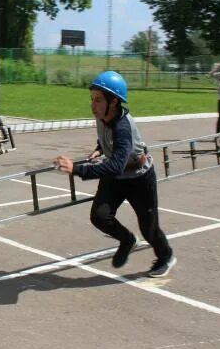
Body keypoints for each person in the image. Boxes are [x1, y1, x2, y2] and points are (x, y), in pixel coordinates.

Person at [53, 71, 177, 278]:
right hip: (117, 176)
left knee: (149, 228)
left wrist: (77, 169)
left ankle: (166, 256)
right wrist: (100, 148)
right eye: (92, 99)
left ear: (114, 102)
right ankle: (127, 239)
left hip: (139, 177)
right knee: (100, 217)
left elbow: (116, 166)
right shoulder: (103, 116)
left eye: (99, 100)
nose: (93, 105)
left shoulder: (122, 127)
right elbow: (107, 139)